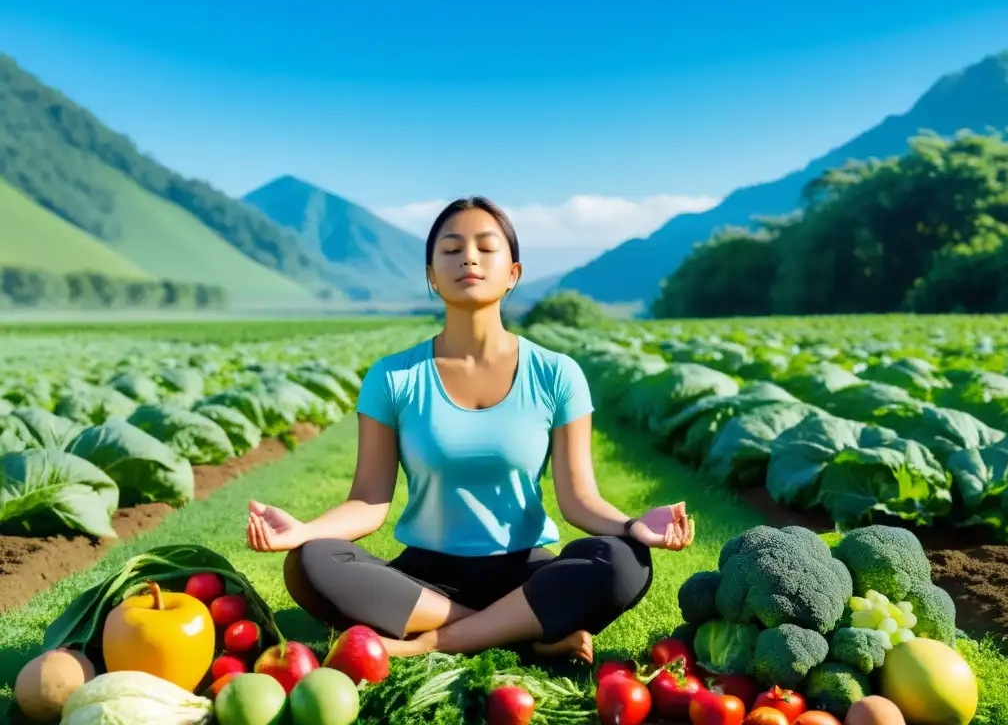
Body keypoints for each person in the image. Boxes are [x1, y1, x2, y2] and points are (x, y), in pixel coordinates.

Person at [245, 196, 695, 663]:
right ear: (432, 276)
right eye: (452, 248)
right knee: (312, 562)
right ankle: (521, 637)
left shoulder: (557, 374)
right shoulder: (393, 377)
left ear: (513, 273)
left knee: (624, 561)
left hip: (527, 576)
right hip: (424, 582)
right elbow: (368, 502)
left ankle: (430, 643)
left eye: (486, 247)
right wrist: (303, 531)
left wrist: (632, 526)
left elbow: (578, 501)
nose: (469, 258)